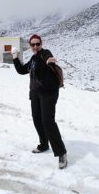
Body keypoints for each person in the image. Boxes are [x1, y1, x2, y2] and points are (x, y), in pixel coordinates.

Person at [11, 34, 67, 169]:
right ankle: (44, 144)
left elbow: (48, 58)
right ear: (30, 46)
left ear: (41, 44)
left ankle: (61, 152)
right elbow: (22, 70)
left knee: (48, 121)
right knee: (37, 119)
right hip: (35, 94)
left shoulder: (44, 54)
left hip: (48, 93)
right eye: (33, 44)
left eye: (38, 44)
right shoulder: (33, 58)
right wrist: (15, 57)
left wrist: (50, 61)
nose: (35, 46)